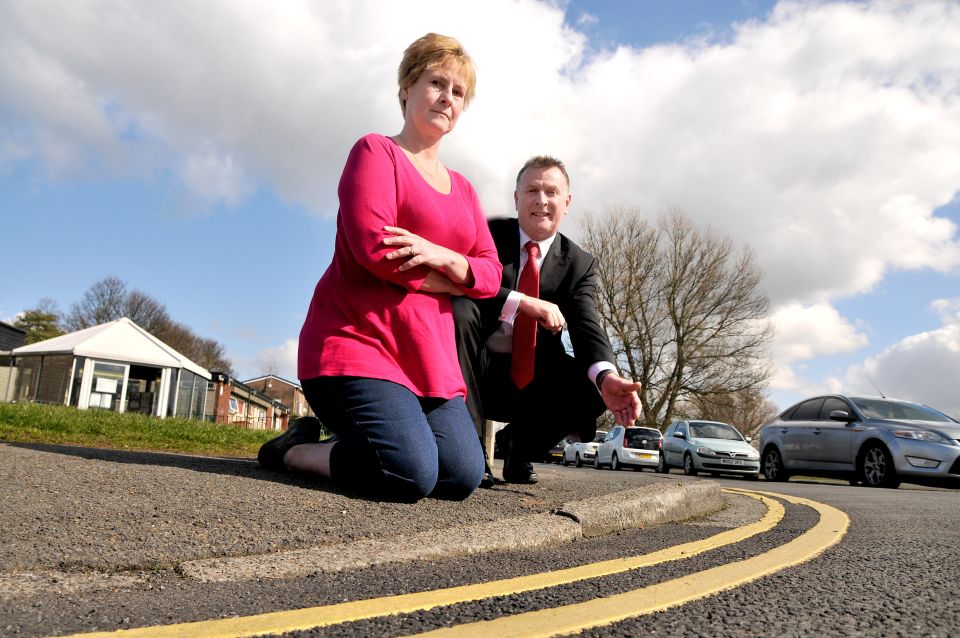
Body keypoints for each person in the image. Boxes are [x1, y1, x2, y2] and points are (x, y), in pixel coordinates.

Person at [258, 33, 502, 502]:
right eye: (437, 82)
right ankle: (297, 451)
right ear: (407, 87)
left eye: (458, 92)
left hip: (428, 361)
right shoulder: (375, 153)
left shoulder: (466, 190)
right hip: (356, 345)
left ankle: (351, 446)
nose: (447, 98)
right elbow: (377, 251)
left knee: (460, 476)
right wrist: (455, 283)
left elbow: (489, 276)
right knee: (409, 473)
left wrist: (444, 256)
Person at [453, 156, 642, 485]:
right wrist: (520, 302)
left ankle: (519, 450)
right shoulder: (485, 235)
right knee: (458, 311)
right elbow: (463, 287)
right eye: (532, 190)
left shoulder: (579, 264)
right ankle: (471, 452)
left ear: (566, 202)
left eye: (551, 192)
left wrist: (607, 376)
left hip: (534, 384)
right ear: (516, 199)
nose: (541, 200)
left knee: (594, 383)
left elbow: (587, 326)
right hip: (474, 371)